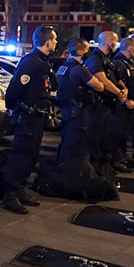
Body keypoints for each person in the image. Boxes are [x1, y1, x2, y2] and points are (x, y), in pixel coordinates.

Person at [0, 26, 58, 214]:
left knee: (32, 154)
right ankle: (10, 194)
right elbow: (15, 90)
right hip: (28, 116)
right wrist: (12, 108)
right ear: (47, 41)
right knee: (21, 155)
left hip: (38, 116)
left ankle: (20, 188)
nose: (56, 43)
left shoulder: (44, 61)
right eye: (55, 39)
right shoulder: (31, 62)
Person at [49, 38, 106, 188]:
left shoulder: (64, 66)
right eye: (87, 49)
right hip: (78, 111)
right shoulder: (79, 69)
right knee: (75, 143)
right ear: (80, 51)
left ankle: (62, 169)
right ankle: (69, 175)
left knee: (67, 141)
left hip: (68, 109)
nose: (89, 52)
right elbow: (99, 86)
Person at [83, 32, 126, 174]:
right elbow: (101, 79)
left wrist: (123, 89)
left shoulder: (107, 58)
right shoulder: (95, 58)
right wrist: (118, 92)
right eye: (116, 41)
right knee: (94, 137)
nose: (116, 44)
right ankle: (92, 169)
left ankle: (101, 166)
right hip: (97, 105)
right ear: (110, 43)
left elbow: (115, 78)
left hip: (108, 103)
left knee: (104, 136)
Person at [104, 36, 134, 170]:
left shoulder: (129, 62)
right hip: (121, 104)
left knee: (124, 133)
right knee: (116, 134)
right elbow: (116, 83)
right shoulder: (118, 62)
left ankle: (122, 156)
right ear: (131, 47)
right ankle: (114, 160)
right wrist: (125, 100)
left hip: (130, 103)